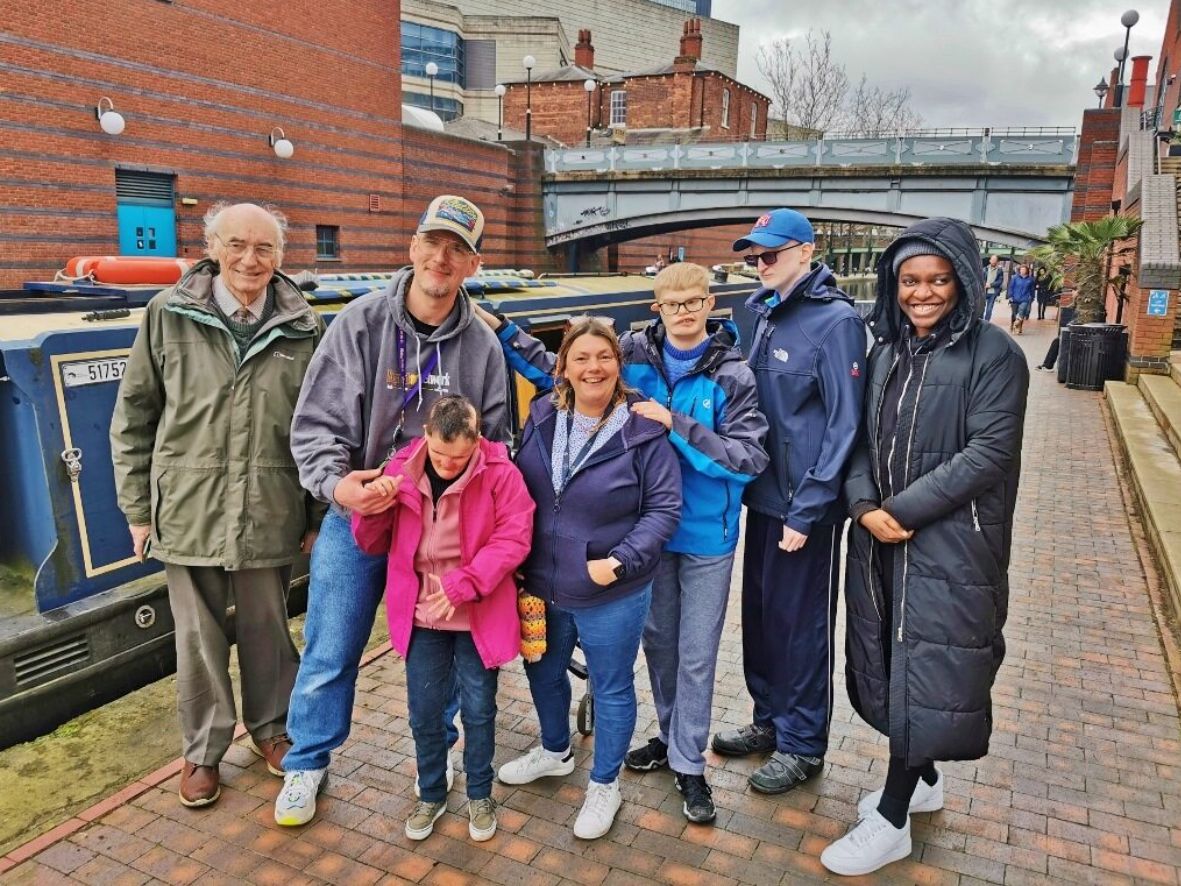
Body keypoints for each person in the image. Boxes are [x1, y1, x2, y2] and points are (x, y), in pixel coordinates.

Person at [474, 262, 768, 824]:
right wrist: (501, 327)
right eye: (672, 302)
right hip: (636, 541)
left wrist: (674, 423)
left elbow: (749, 457)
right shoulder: (634, 353)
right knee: (658, 650)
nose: (683, 312)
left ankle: (689, 763)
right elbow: (564, 367)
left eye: (694, 301)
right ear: (656, 308)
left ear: (712, 305)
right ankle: (665, 738)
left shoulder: (733, 373)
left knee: (697, 656)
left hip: (701, 533)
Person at [274, 195, 509, 827]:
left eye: (457, 248)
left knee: (449, 646)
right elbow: (316, 423)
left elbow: (497, 444)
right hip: (364, 516)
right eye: (433, 242)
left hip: (445, 527)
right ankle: (307, 763)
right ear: (412, 247)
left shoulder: (483, 347)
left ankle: (443, 753)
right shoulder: (358, 324)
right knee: (332, 641)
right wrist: (336, 487)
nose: (441, 257)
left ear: (472, 264)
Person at [821, 218, 1028, 877]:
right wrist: (861, 505)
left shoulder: (995, 354)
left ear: (963, 282)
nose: (922, 293)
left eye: (938, 280)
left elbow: (988, 453)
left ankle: (891, 820)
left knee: (927, 666)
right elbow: (857, 439)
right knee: (893, 657)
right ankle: (924, 779)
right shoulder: (885, 353)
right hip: (882, 537)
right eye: (909, 280)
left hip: (950, 546)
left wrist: (897, 512)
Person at [110, 202, 324, 808]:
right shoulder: (165, 315)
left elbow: (318, 429)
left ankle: (272, 729)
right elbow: (134, 418)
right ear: (212, 248)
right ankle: (203, 751)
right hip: (187, 504)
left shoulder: (305, 326)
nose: (250, 260)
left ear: (281, 257)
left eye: (264, 248)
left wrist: (315, 516)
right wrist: (136, 509)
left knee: (267, 625)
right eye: (237, 246)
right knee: (197, 636)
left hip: (270, 502)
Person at [500, 318, 682, 840]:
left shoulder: (643, 430)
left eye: (603, 357)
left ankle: (605, 783)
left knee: (612, 686)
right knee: (543, 672)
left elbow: (664, 509)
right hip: (541, 583)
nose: (593, 367)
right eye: (580, 358)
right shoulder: (540, 416)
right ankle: (555, 751)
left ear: (617, 366)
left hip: (611, 590)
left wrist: (619, 561)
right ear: (564, 368)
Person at [710, 208, 866, 796]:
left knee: (802, 625)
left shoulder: (836, 323)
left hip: (805, 507)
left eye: (771, 252)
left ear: (806, 251)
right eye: (754, 254)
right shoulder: (761, 315)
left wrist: (810, 507)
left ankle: (803, 743)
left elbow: (844, 426)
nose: (760, 262)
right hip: (763, 497)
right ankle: (769, 720)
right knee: (764, 616)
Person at [350, 395, 534, 843]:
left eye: (460, 458)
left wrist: (462, 586)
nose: (448, 466)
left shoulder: (501, 474)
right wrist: (374, 507)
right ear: (426, 435)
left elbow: (515, 538)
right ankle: (431, 792)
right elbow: (371, 543)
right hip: (422, 617)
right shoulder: (401, 470)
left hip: (477, 612)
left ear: (477, 440)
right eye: (439, 456)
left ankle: (479, 793)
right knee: (424, 713)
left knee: (479, 709)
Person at [1007, 264, 1034, 334]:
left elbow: (1032, 290)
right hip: (1014, 298)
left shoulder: (1030, 279)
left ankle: (1019, 327)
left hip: (1024, 299)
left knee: (1021, 313)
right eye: (1021, 269)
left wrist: (1032, 297)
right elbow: (1011, 287)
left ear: (1027, 271)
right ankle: (1013, 324)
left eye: (1024, 270)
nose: (1022, 271)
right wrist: (1010, 296)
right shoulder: (1015, 278)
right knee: (1014, 314)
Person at [982, 254, 1004, 322]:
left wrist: (990, 285)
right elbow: (980, 279)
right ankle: (980, 320)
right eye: (992, 260)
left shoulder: (999, 271)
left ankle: (986, 321)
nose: (994, 261)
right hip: (984, 291)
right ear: (990, 260)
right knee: (981, 308)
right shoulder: (984, 269)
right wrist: (984, 284)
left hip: (993, 292)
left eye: (995, 260)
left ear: (997, 261)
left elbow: (1000, 281)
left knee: (989, 308)